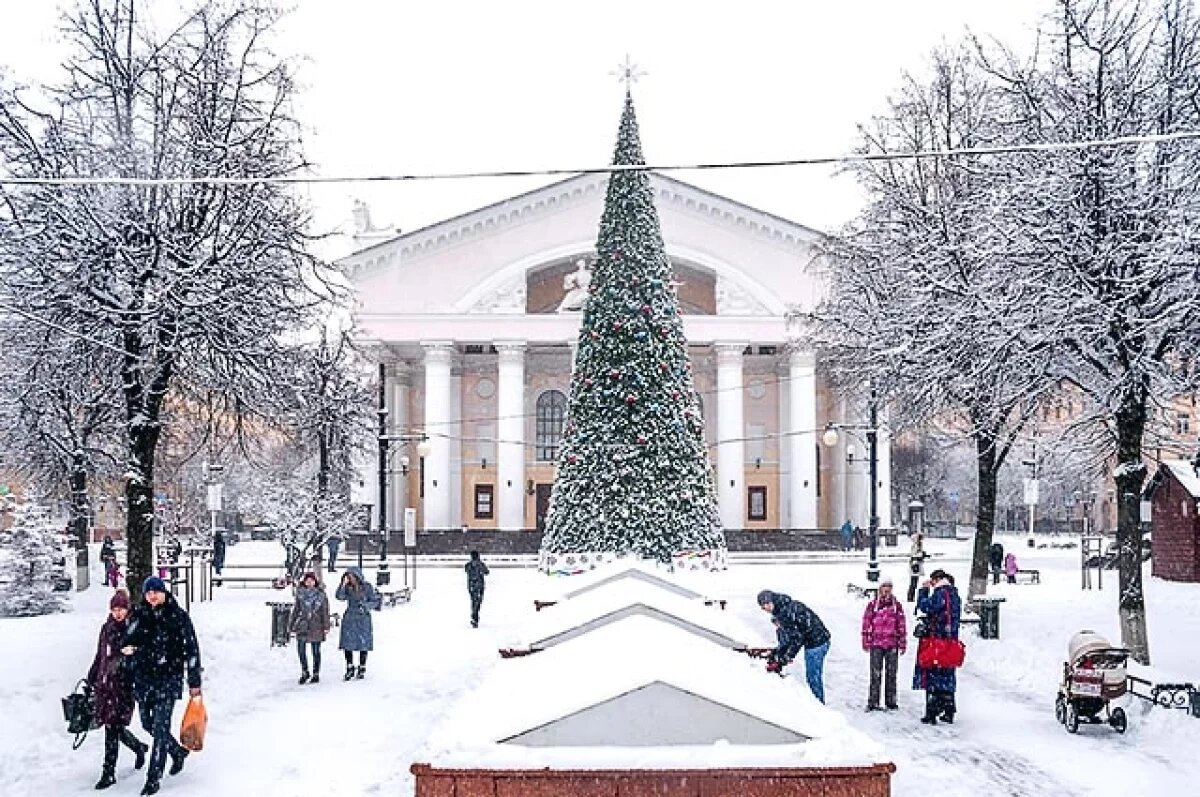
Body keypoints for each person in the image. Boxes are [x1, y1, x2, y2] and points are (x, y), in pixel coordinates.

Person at [121, 576, 202, 796]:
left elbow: (192, 650)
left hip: (168, 679)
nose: (152, 596)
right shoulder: (139, 616)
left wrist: (194, 682)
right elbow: (127, 643)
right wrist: (129, 655)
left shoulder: (178, 617)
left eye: (156, 591)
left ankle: (153, 778)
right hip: (144, 679)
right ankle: (176, 751)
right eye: (148, 593)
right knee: (148, 724)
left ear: (164, 592)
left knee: (160, 728)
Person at [87, 589, 149, 789]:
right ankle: (139, 748)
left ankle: (108, 772)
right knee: (113, 727)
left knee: (112, 727)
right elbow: (100, 656)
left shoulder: (133, 628)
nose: (118, 613)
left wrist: (131, 656)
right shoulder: (107, 628)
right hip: (106, 685)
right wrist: (91, 678)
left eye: (121, 609)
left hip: (124, 686)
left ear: (128, 608)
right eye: (115, 609)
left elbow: (141, 653)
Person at [756, 589, 832, 703]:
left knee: (813, 677)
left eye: (767, 604)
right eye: (763, 606)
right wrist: (779, 653)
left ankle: (819, 707)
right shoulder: (781, 609)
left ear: (773, 600)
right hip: (816, 640)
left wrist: (787, 657)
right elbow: (787, 638)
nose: (766, 608)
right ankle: (818, 704)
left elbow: (796, 639)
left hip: (817, 642)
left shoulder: (785, 613)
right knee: (812, 676)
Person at [913, 569, 962, 725]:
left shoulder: (940, 594)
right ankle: (949, 710)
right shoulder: (954, 595)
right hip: (951, 642)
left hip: (937, 642)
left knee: (933, 677)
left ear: (937, 580)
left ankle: (932, 712)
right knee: (948, 676)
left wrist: (923, 591)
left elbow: (925, 606)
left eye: (932, 581)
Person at [861, 577, 907, 711]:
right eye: (884, 586)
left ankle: (891, 701)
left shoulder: (896, 606)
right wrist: (866, 639)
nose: (887, 589)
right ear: (880, 588)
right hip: (876, 643)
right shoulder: (873, 605)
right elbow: (866, 623)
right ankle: (873, 701)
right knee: (875, 674)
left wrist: (902, 642)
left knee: (891, 674)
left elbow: (901, 625)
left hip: (892, 643)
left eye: (889, 586)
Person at [336, 567, 378, 680]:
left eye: (352, 577)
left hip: (363, 618)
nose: (351, 579)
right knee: (347, 643)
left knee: (363, 642)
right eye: (349, 577)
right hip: (350, 617)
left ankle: (362, 666)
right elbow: (339, 596)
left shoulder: (367, 587)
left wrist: (365, 607)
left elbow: (374, 601)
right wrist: (343, 584)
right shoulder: (347, 588)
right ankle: (349, 666)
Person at [289, 571, 331, 684]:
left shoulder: (321, 595)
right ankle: (305, 671)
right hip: (303, 624)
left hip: (317, 625)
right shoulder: (300, 594)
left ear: (315, 582)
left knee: (316, 650)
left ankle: (316, 672)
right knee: (301, 650)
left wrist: (326, 625)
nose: (309, 582)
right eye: (307, 580)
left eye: (312, 580)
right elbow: (296, 610)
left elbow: (325, 611)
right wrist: (291, 625)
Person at [465, 550, 490, 628]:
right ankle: (475, 616)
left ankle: (474, 616)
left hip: (471, 586)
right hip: (479, 586)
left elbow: (466, 571)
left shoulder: (468, 565)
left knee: (473, 601)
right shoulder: (481, 565)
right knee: (478, 602)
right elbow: (487, 572)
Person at [907, 532, 926, 603]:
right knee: (913, 582)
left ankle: (911, 596)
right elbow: (914, 555)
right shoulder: (916, 545)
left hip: (916, 565)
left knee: (914, 582)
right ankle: (910, 597)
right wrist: (921, 555)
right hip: (915, 566)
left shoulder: (918, 545)